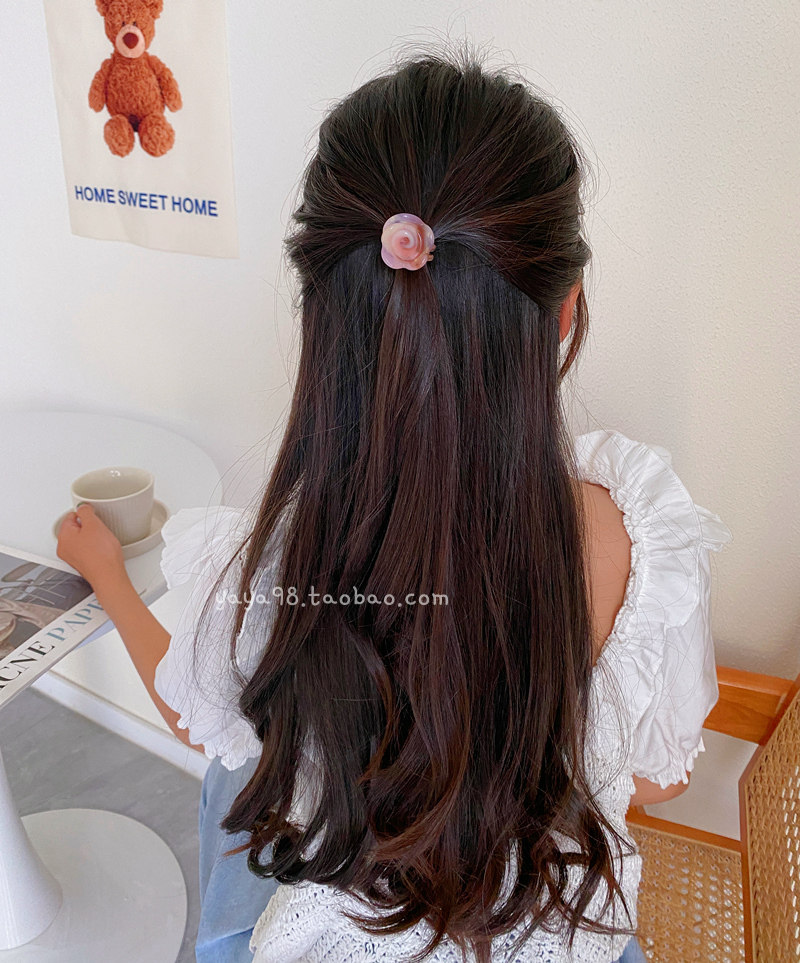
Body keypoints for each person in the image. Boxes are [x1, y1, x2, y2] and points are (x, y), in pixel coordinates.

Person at [56, 43, 732, 963]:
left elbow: (199, 715)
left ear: (322, 316)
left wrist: (109, 578)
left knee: (231, 801)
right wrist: (526, 759)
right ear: (565, 311)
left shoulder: (274, 570)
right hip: (555, 931)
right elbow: (654, 777)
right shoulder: (641, 539)